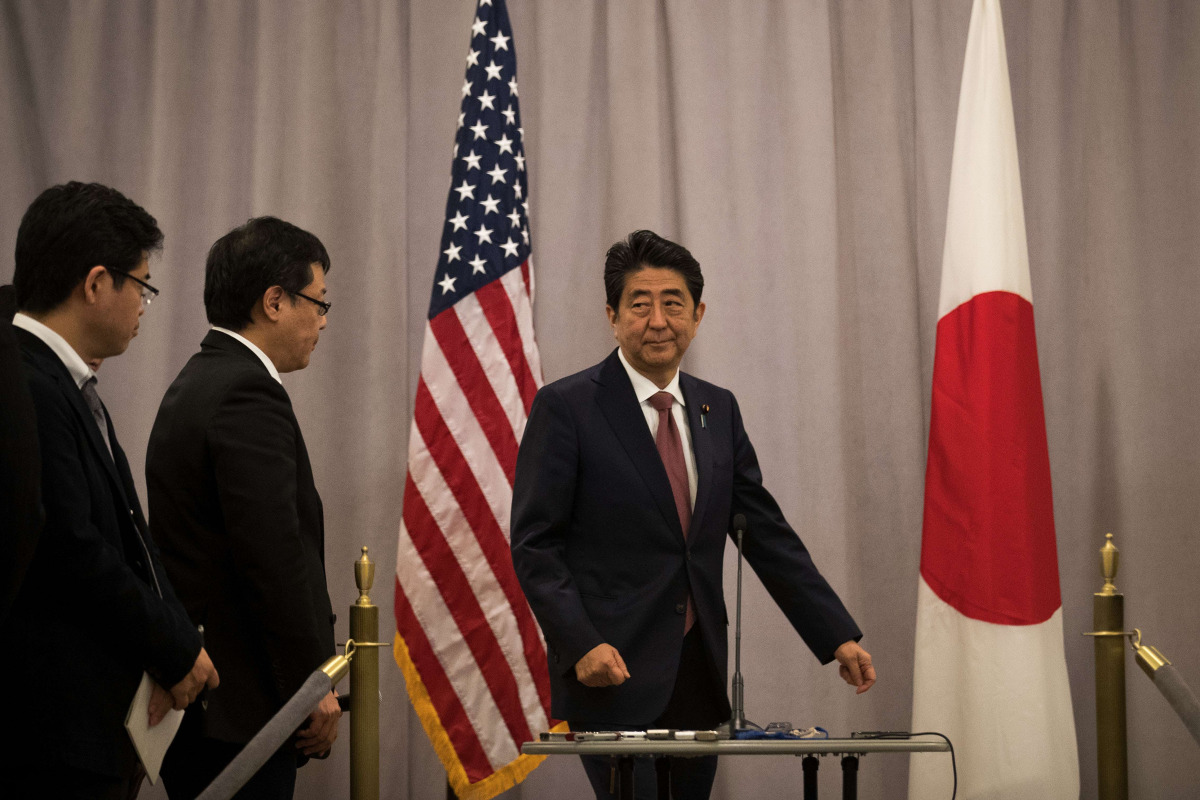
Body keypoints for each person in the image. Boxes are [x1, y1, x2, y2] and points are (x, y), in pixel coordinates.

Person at [510, 230, 876, 799]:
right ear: (612, 317)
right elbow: (535, 544)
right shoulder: (567, 407)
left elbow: (765, 533)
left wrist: (836, 635)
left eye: (673, 304)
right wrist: (580, 643)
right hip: (610, 669)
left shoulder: (717, 408)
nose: (658, 321)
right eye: (640, 304)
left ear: (698, 315)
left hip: (698, 671)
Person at [1, 182, 219, 799]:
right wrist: (171, 648)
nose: (145, 305)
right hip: (51, 730)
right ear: (97, 283)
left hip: (88, 722)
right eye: (142, 286)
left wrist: (177, 641)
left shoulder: (60, 382)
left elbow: (130, 533)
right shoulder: (26, 386)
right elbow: (70, 548)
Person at [148, 216, 341, 799]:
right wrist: (312, 684)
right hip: (239, 711)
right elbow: (271, 558)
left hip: (213, 706)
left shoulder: (202, 377)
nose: (323, 321)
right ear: (275, 301)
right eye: (319, 303)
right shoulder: (245, 392)